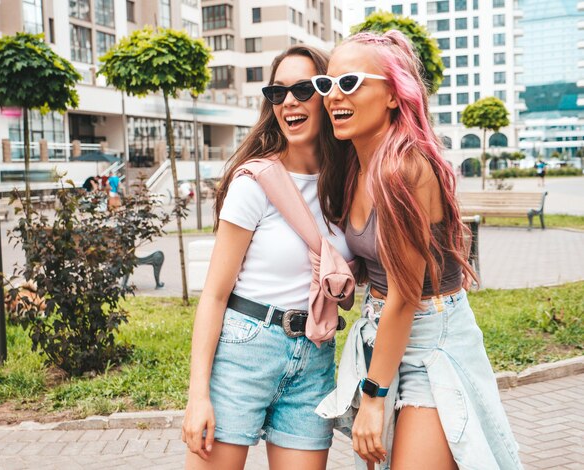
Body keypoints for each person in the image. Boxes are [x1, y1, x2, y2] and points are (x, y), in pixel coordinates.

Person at [312, 30, 522, 469]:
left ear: (392, 94)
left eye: (349, 83)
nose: (333, 96)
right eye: (326, 84)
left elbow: (407, 295)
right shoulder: (356, 165)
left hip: (432, 338)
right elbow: (383, 266)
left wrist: (373, 397)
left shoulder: (405, 168)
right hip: (384, 332)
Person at [182, 45, 353, 470]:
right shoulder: (254, 183)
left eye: (302, 89)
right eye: (278, 93)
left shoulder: (352, 185)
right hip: (245, 351)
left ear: (327, 94)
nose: (289, 101)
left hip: (314, 358)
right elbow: (215, 294)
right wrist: (197, 395)